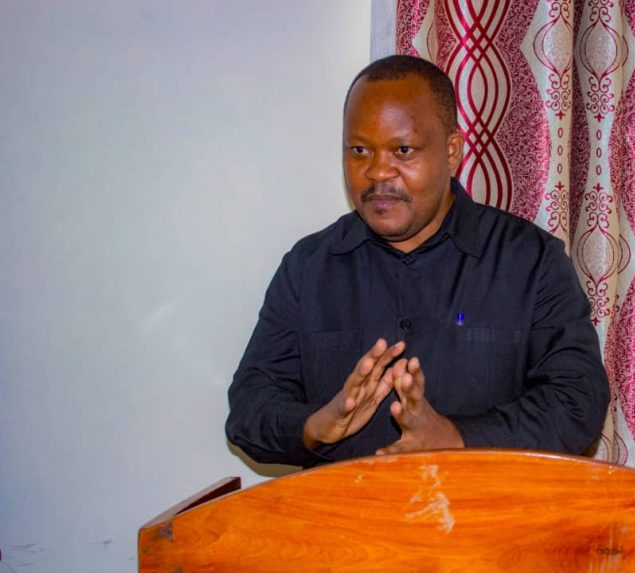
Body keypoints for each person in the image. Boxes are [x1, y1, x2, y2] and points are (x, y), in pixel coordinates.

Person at [226, 55, 609, 468]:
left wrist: (458, 438)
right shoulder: (308, 268)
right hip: (344, 510)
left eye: (402, 150)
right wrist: (315, 425)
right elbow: (249, 409)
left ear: (452, 151)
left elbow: (577, 403)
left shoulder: (530, 262)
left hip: (477, 510)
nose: (377, 172)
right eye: (359, 150)